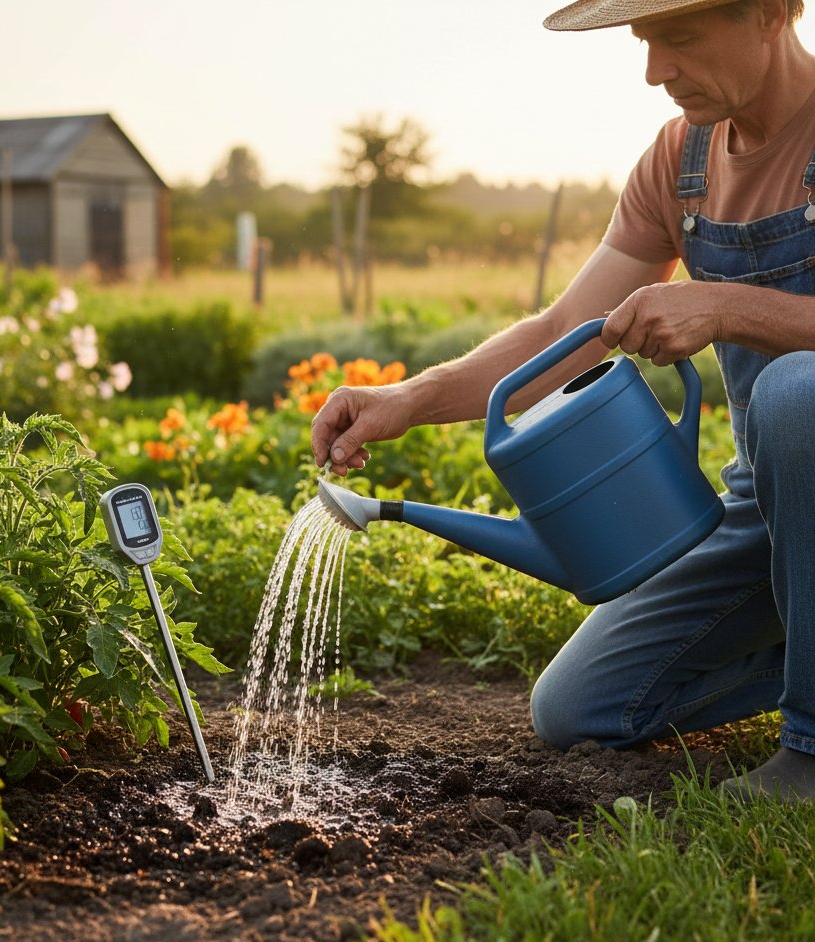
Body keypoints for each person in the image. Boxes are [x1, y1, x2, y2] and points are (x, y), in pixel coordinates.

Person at [310, 0, 815, 802]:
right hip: (774, 505)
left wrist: (724, 306)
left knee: (797, 393)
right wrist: (406, 398)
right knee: (581, 707)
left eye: (678, 38)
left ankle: (810, 754)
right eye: (646, 42)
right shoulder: (680, 163)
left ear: (769, 12)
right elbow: (563, 332)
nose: (655, 71)